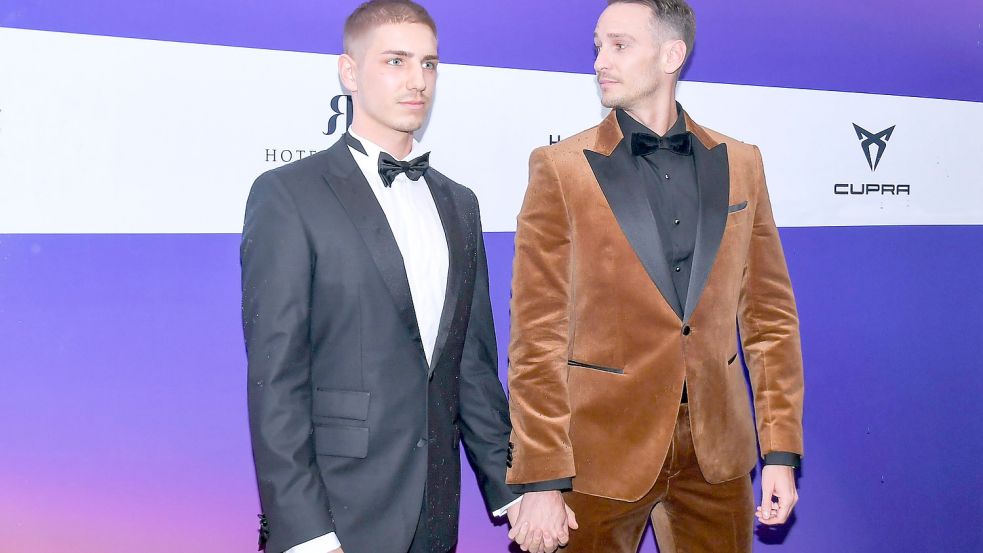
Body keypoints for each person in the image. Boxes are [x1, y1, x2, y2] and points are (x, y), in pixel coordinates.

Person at [505, 1, 805, 552]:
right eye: (598, 45)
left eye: (619, 46)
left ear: (672, 55)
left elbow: (770, 320)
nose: (600, 61)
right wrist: (541, 475)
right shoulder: (560, 169)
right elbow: (536, 337)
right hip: (596, 456)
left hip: (718, 456)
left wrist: (780, 451)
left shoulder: (741, 163)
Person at [240, 2, 520, 552]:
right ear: (349, 72)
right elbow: (276, 381)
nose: (417, 81)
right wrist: (304, 531)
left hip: (435, 513)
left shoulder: (460, 204)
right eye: (396, 61)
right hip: (336, 515)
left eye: (429, 64)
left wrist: (518, 491)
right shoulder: (288, 195)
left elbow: (472, 368)